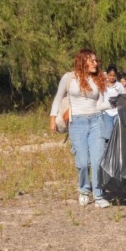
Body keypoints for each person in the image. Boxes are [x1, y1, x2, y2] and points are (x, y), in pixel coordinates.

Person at [50, 49, 113, 208]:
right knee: (83, 162)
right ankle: (85, 190)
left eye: (96, 61)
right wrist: (52, 118)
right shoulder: (69, 77)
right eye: (91, 61)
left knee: (98, 160)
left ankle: (99, 195)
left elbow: (99, 104)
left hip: (96, 120)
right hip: (77, 123)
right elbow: (58, 97)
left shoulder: (98, 79)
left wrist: (114, 102)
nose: (95, 63)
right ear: (82, 61)